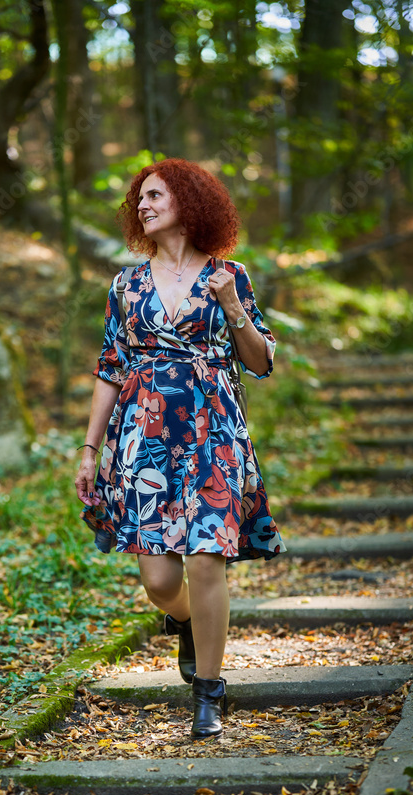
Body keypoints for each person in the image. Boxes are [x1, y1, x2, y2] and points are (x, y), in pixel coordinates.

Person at [75, 157, 286, 740]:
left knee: (204, 558)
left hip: (213, 430)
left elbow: (262, 361)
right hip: (144, 438)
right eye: (139, 199)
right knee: (161, 580)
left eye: (154, 195)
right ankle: (188, 623)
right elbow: (109, 368)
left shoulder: (229, 275)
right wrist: (90, 449)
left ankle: (209, 695)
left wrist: (233, 308)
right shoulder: (126, 284)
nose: (141, 206)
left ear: (190, 203)